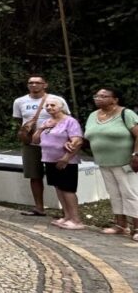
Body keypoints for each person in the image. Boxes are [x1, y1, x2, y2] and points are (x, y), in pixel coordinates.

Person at [12, 75, 70, 216]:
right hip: (31, 144)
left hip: (54, 143)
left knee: (58, 176)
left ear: (45, 85)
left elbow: (67, 119)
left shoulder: (56, 100)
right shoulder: (19, 101)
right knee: (34, 175)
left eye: (38, 82)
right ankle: (39, 207)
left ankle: (66, 210)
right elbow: (19, 121)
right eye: (30, 82)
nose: (34, 85)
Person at [85, 87, 138, 239]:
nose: (98, 98)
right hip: (104, 162)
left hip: (125, 162)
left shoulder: (126, 113)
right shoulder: (93, 115)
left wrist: (136, 154)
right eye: (96, 96)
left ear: (115, 99)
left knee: (131, 193)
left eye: (103, 96)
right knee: (114, 194)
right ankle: (121, 225)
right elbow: (88, 136)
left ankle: (137, 228)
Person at [33, 98, 84, 230]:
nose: (49, 107)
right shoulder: (46, 121)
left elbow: (77, 141)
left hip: (66, 161)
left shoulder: (70, 121)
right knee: (58, 188)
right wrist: (41, 129)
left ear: (61, 107)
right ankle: (67, 216)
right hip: (49, 159)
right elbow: (35, 140)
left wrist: (66, 158)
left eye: (53, 105)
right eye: (47, 106)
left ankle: (76, 219)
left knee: (68, 189)